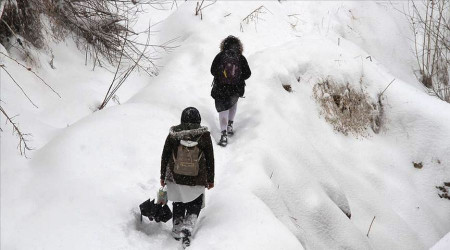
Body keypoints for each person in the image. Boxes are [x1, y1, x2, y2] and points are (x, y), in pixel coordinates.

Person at [160, 107, 215, 248]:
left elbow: (165, 155)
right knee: (195, 201)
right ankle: (189, 224)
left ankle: (177, 224)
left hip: (175, 176)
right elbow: (210, 158)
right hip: (197, 177)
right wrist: (210, 179)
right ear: (199, 119)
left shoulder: (174, 134)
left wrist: (162, 176)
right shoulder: (204, 135)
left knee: (178, 200)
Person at [210, 35, 251, 146]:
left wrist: (222, 76)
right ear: (239, 46)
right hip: (235, 89)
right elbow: (248, 74)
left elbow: (212, 70)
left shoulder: (220, 56)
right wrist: (237, 77)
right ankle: (230, 125)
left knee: (223, 109)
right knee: (232, 103)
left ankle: (223, 134)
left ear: (224, 45)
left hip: (220, 88)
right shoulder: (240, 58)